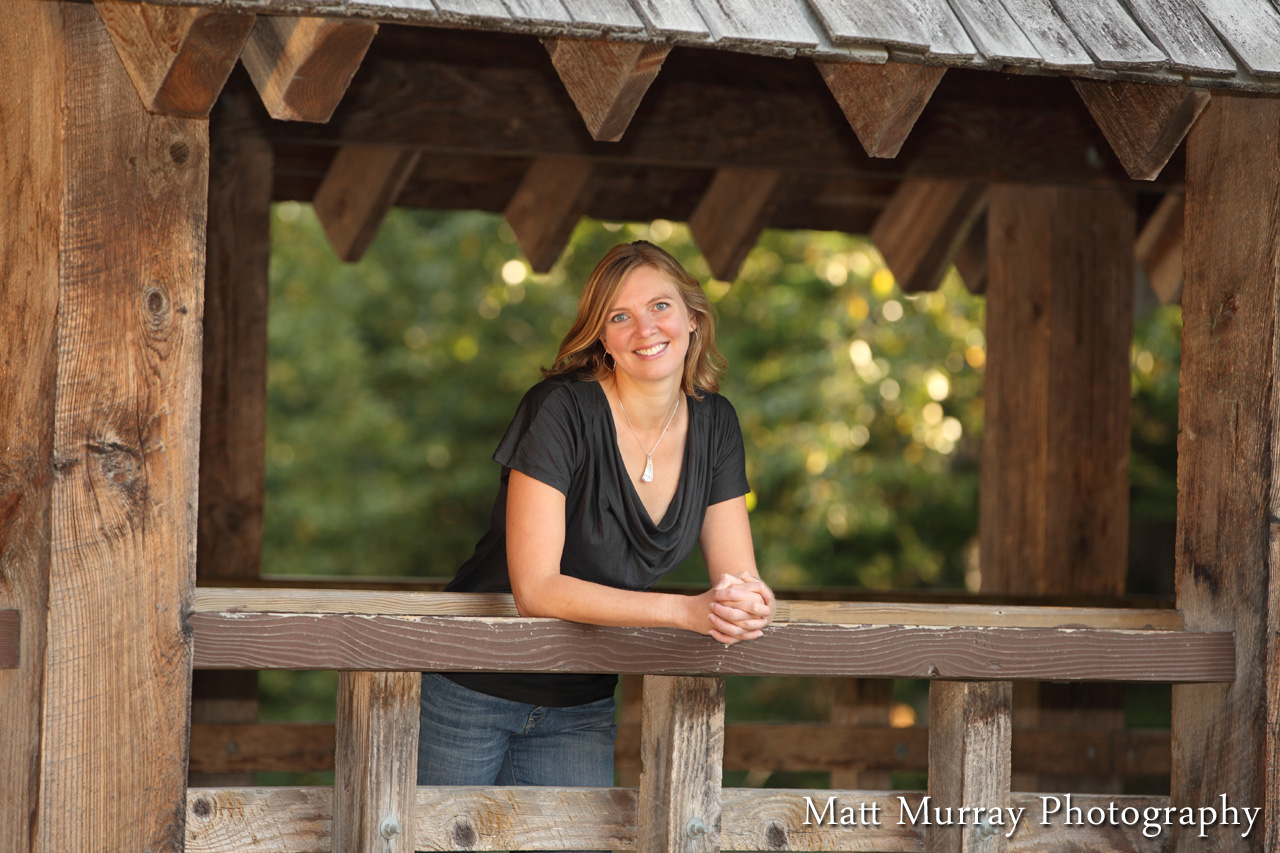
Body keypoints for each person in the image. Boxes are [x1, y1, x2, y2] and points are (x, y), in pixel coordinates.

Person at [417, 240, 774, 792]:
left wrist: (748, 602)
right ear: (602, 337)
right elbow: (536, 590)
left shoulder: (716, 423)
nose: (645, 330)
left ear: (693, 319)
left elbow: (736, 577)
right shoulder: (559, 409)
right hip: (472, 684)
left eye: (660, 306)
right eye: (620, 316)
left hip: (582, 697)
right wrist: (687, 612)